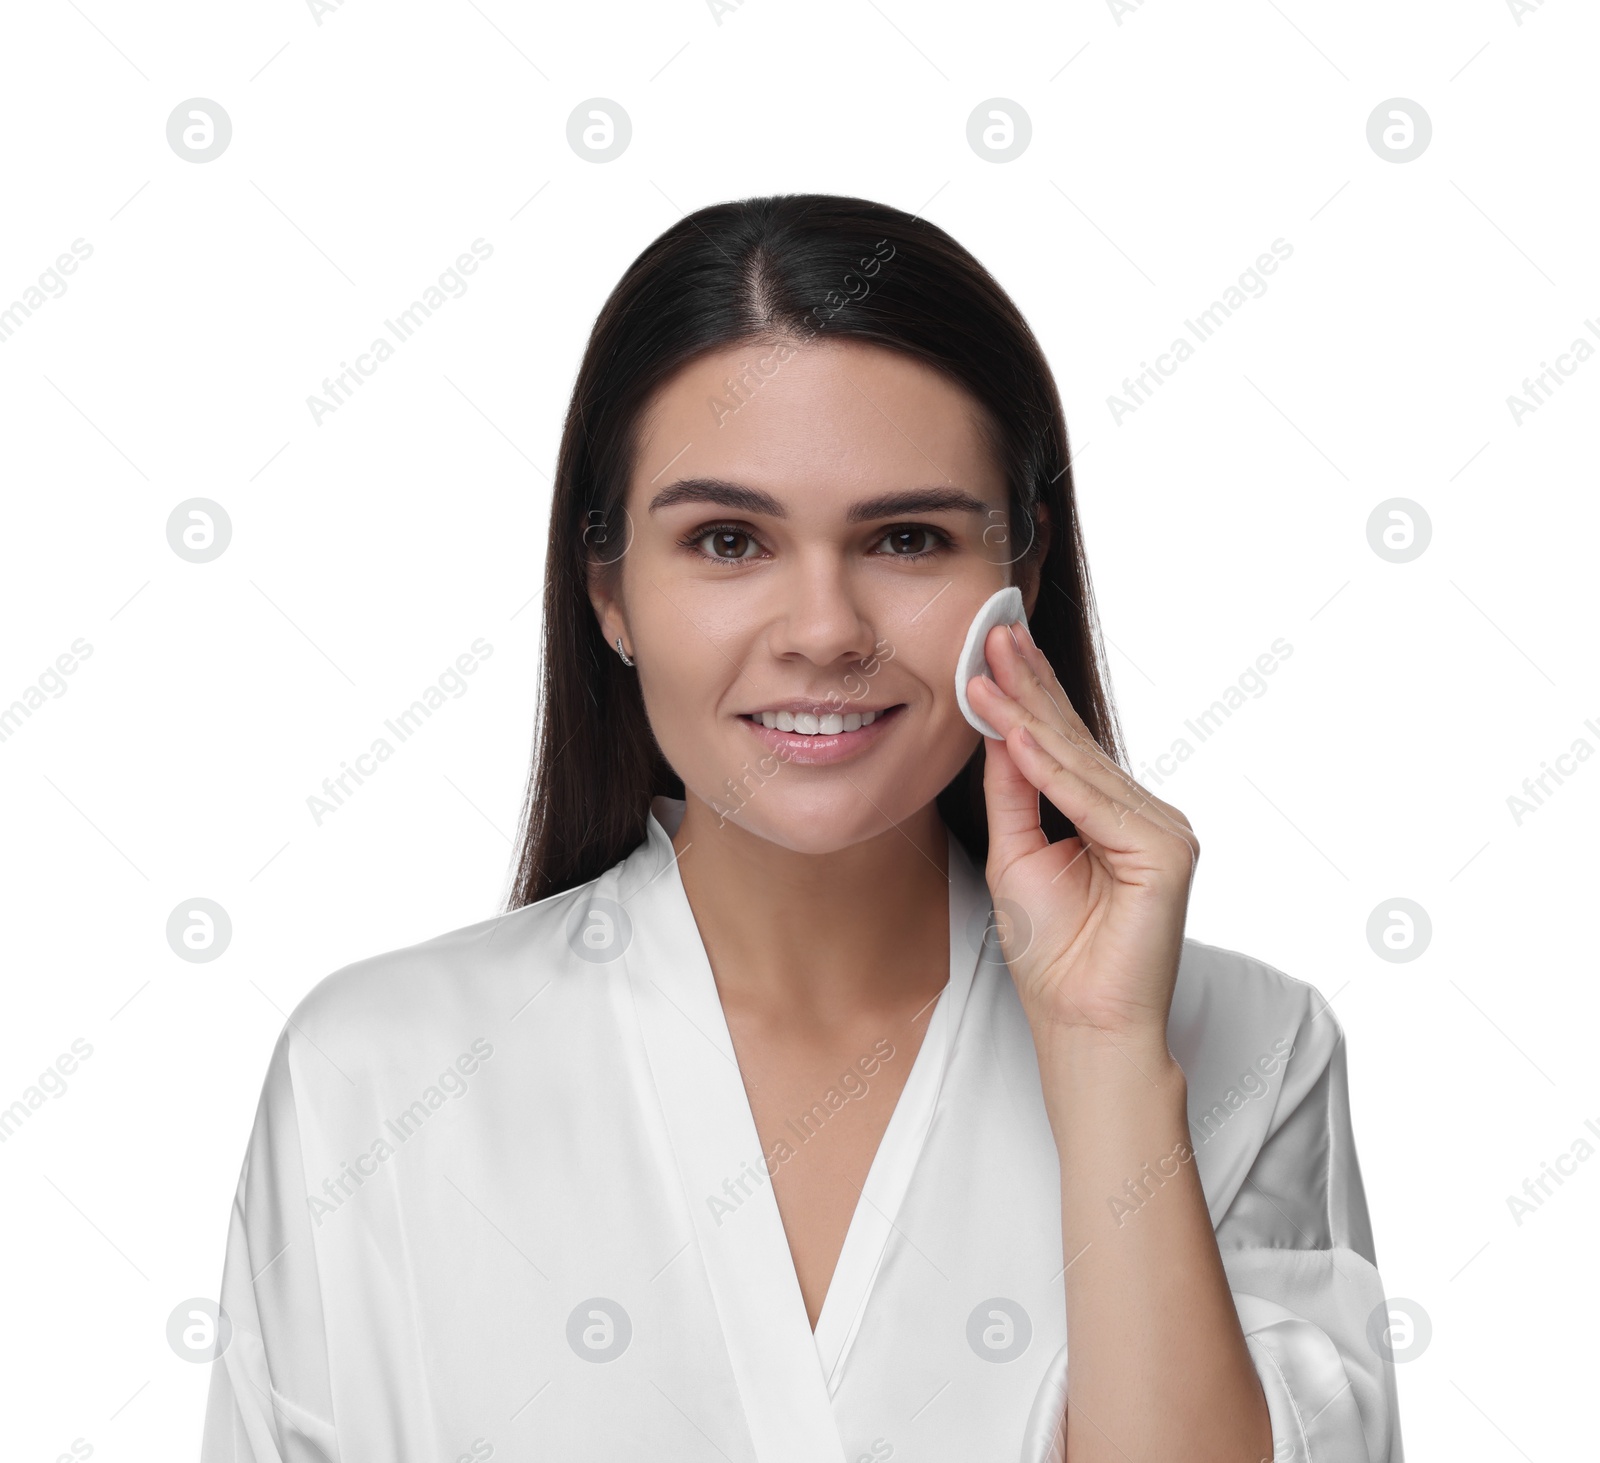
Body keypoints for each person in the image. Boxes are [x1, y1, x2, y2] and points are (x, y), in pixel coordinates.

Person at [201, 194, 1404, 1462]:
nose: (824, 628)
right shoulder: (376, 1072)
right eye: (729, 540)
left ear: (1022, 578)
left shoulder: (1252, 1054)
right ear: (606, 586)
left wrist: (1106, 1050)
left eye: (906, 537)